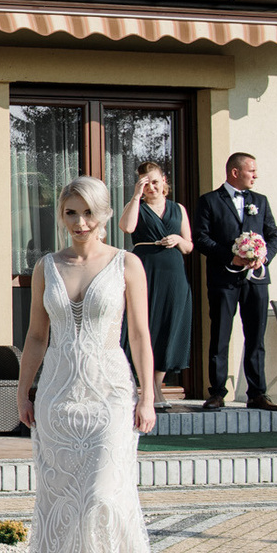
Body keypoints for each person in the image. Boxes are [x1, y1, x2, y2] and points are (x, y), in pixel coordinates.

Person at [17, 176, 172, 553]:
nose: (80, 222)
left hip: (110, 395)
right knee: (64, 504)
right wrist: (24, 392)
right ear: (61, 216)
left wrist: (148, 396)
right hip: (58, 397)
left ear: (105, 215)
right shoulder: (47, 266)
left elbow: (140, 335)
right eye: (71, 212)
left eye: (88, 213)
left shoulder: (127, 264)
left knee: (104, 499)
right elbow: (37, 336)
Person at [191, 152, 277, 410]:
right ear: (235, 172)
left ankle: (257, 393)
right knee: (220, 334)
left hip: (256, 280)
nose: (256, 175)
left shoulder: (260, 201)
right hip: (224, 279)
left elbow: (274, 236)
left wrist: (263, 257)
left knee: (256, 336)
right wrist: (231, 257)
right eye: (251, 170)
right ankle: (217, 392)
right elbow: (201, 238)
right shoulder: (209, 201)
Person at [118, 161, 193, 409]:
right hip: (145, 270)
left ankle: (157, 387)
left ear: (164, 181)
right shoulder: (136, 206)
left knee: (168, 327)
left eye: (155, 182)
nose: (152, 187)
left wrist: (178, 239)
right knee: (144, 325)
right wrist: (136, 196)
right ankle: (145, 388)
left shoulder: (178, 209)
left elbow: (189, 246)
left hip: (173, 275)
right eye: (146, 183)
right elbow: (127, 227)